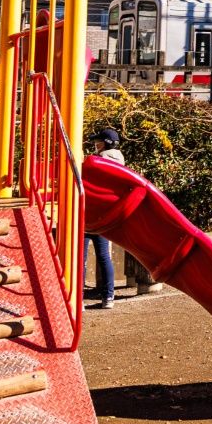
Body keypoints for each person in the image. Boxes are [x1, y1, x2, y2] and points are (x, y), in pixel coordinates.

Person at [86, 128, 124, 309]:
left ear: (107, 143)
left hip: (87, 215)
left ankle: (77, 301)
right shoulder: (120, 163)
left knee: (80, 258)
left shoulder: (97, 161)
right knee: (104, 257)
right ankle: (108, 297)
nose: (96, 145)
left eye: (98, 142)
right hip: (105, 217)